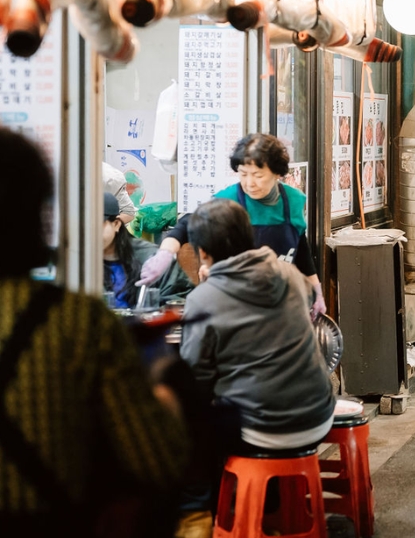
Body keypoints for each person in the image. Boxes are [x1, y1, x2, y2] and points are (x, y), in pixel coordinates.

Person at [0, 129, 187, 533]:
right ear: (39, 213)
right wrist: (164, 392)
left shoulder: (143, 260)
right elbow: (157, 459)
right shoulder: (76, 321)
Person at [179, 198, 335, 451]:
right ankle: (273, 490)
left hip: (259, 431)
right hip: (318, 417)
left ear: (203, 253)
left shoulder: (203, 298)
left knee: (190, 424)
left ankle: (230, 490)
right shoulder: (289, 274)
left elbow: (196, 376)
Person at [140, 133, 326, 317]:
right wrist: (165, 253)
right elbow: (187, 224)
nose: (249, 183)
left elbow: (300, 249)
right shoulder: (228, 199)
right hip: (234, 304)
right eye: (243, 174)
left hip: (281, 301)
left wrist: (317, 290)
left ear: (277, 173)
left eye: (258, 175)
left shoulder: (294, 200)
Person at [103, 193, 192, 309]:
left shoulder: (152, 258)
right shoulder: (77, 263)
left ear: (116, 224)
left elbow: (178, 300)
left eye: (97, 225)